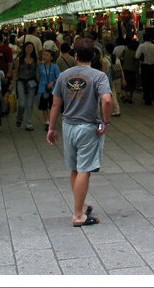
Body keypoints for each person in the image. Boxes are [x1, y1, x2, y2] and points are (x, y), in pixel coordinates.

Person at [47, 37, 113, 228]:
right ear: (93, 56)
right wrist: (106, 121)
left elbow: (56, 104)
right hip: (87, 127)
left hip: (68, 125)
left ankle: (81, 205)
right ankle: (78, 215)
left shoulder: (64, 75)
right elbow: (107, 100)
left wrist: (51, 128)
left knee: (75, 168)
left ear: (75, 55)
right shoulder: (98, 76)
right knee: (85, 169)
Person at [13, 41, 39, 131]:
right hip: (21, 81)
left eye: (31, 47)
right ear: (24, 48)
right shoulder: (19, 59)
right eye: (27, 47)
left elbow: (37, 73)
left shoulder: (36, 60)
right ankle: (19, 118)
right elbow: (15, 71)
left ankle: (28, 123)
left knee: (29, 104)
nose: (29, 49)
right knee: (22, 103)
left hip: (31, 82)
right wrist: (13, 83)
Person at [135, 32, 154, 106]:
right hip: (152, 67)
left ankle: (147, 100)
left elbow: (137, 56)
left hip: (144, 67)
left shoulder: (141, 46)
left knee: (145, 83)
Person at [37, 47, 59, 132]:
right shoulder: (40, 67)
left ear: (51, 57)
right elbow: (38, 76)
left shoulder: (54, 67)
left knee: (52, 106)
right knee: (44, 106)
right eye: (43, 55)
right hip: (43, 89)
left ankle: (51, 121)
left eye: (46, 55)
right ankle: (47, 122)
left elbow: (58, 77)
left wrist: (52, 82)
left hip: (53, 90)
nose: (44, 57)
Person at [103, 43, 122, 117]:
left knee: (112, 94)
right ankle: (114, 109)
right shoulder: (117, 59)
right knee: (115, 94)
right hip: (117, 78)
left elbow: (103, 72)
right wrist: (123, 79)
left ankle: (116, 110)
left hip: (110, 79)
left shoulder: (105, 59)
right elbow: (121, 69)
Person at [120, 39, 139, 104]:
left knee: (125, 83)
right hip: (133, 70)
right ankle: (130, 97)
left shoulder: (125, 51)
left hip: (125, 69)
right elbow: (137, 62)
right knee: (132, 84)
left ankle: (126, 96)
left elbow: (119, 57)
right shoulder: (135, 53)